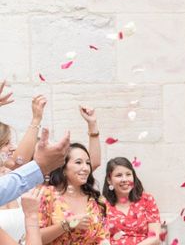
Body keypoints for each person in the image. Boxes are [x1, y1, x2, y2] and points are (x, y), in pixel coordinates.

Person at [38, 143, 109, 244]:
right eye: (78, 162)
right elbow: (34, 238)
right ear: (63, 168)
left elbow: (103, 237)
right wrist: (67, 224)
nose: (86, 168)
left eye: (88, 163)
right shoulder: (47, 195)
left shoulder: (96, 199)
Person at [0, 95, 48, 241]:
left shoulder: (12, 180)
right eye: (7, 143)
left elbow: (20, 162)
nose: (13, 148)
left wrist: (36, 119)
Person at [102, 157, 161, 245]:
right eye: (119, 175)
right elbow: (101, 239)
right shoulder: (102, 205)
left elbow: (155, 237)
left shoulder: (147, 200)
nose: (125, 179)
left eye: (128, 174)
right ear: (109, 180)